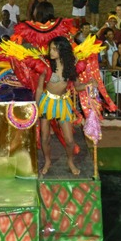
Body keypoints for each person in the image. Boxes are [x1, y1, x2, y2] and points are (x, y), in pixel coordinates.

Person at [37, 36, 88, 176]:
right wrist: (37, 107)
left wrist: (90, 84)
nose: (51, 51)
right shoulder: (46, 66)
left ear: (62, 51)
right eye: (51, 48)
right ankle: (47, 161)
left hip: (63, 104)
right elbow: (40, 89)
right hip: (46, 102)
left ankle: (70, 161)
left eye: (54, 49)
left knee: (70, 140)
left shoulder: (71, 67)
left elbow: (77, 87)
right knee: (45, 137)